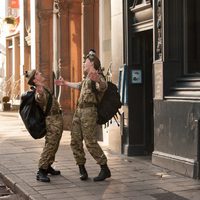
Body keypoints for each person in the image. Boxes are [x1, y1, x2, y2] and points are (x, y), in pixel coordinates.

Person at [55, 50, 111, 181]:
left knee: (90, 141)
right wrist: (65, 83)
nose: (83, 63)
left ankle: (104, 168)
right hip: (79, 112)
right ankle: (82, 169)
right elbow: (79, 86)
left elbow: (103, 86)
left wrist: (99, 80)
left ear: (91, 63)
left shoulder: (97, 76)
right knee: (74, 141)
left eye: (85, 61)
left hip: (89, 112)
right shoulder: (87, 78)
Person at [25, 69, 63, 182]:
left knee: (54, 144)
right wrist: (40, 92)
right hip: (52, 121)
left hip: (57, 119)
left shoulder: (45, 87)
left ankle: (48, 166)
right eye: (38, 73)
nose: (41, 73)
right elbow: (40, 98)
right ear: (35, 79)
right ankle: (41, 170)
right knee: (50, 145)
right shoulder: (39, 90)